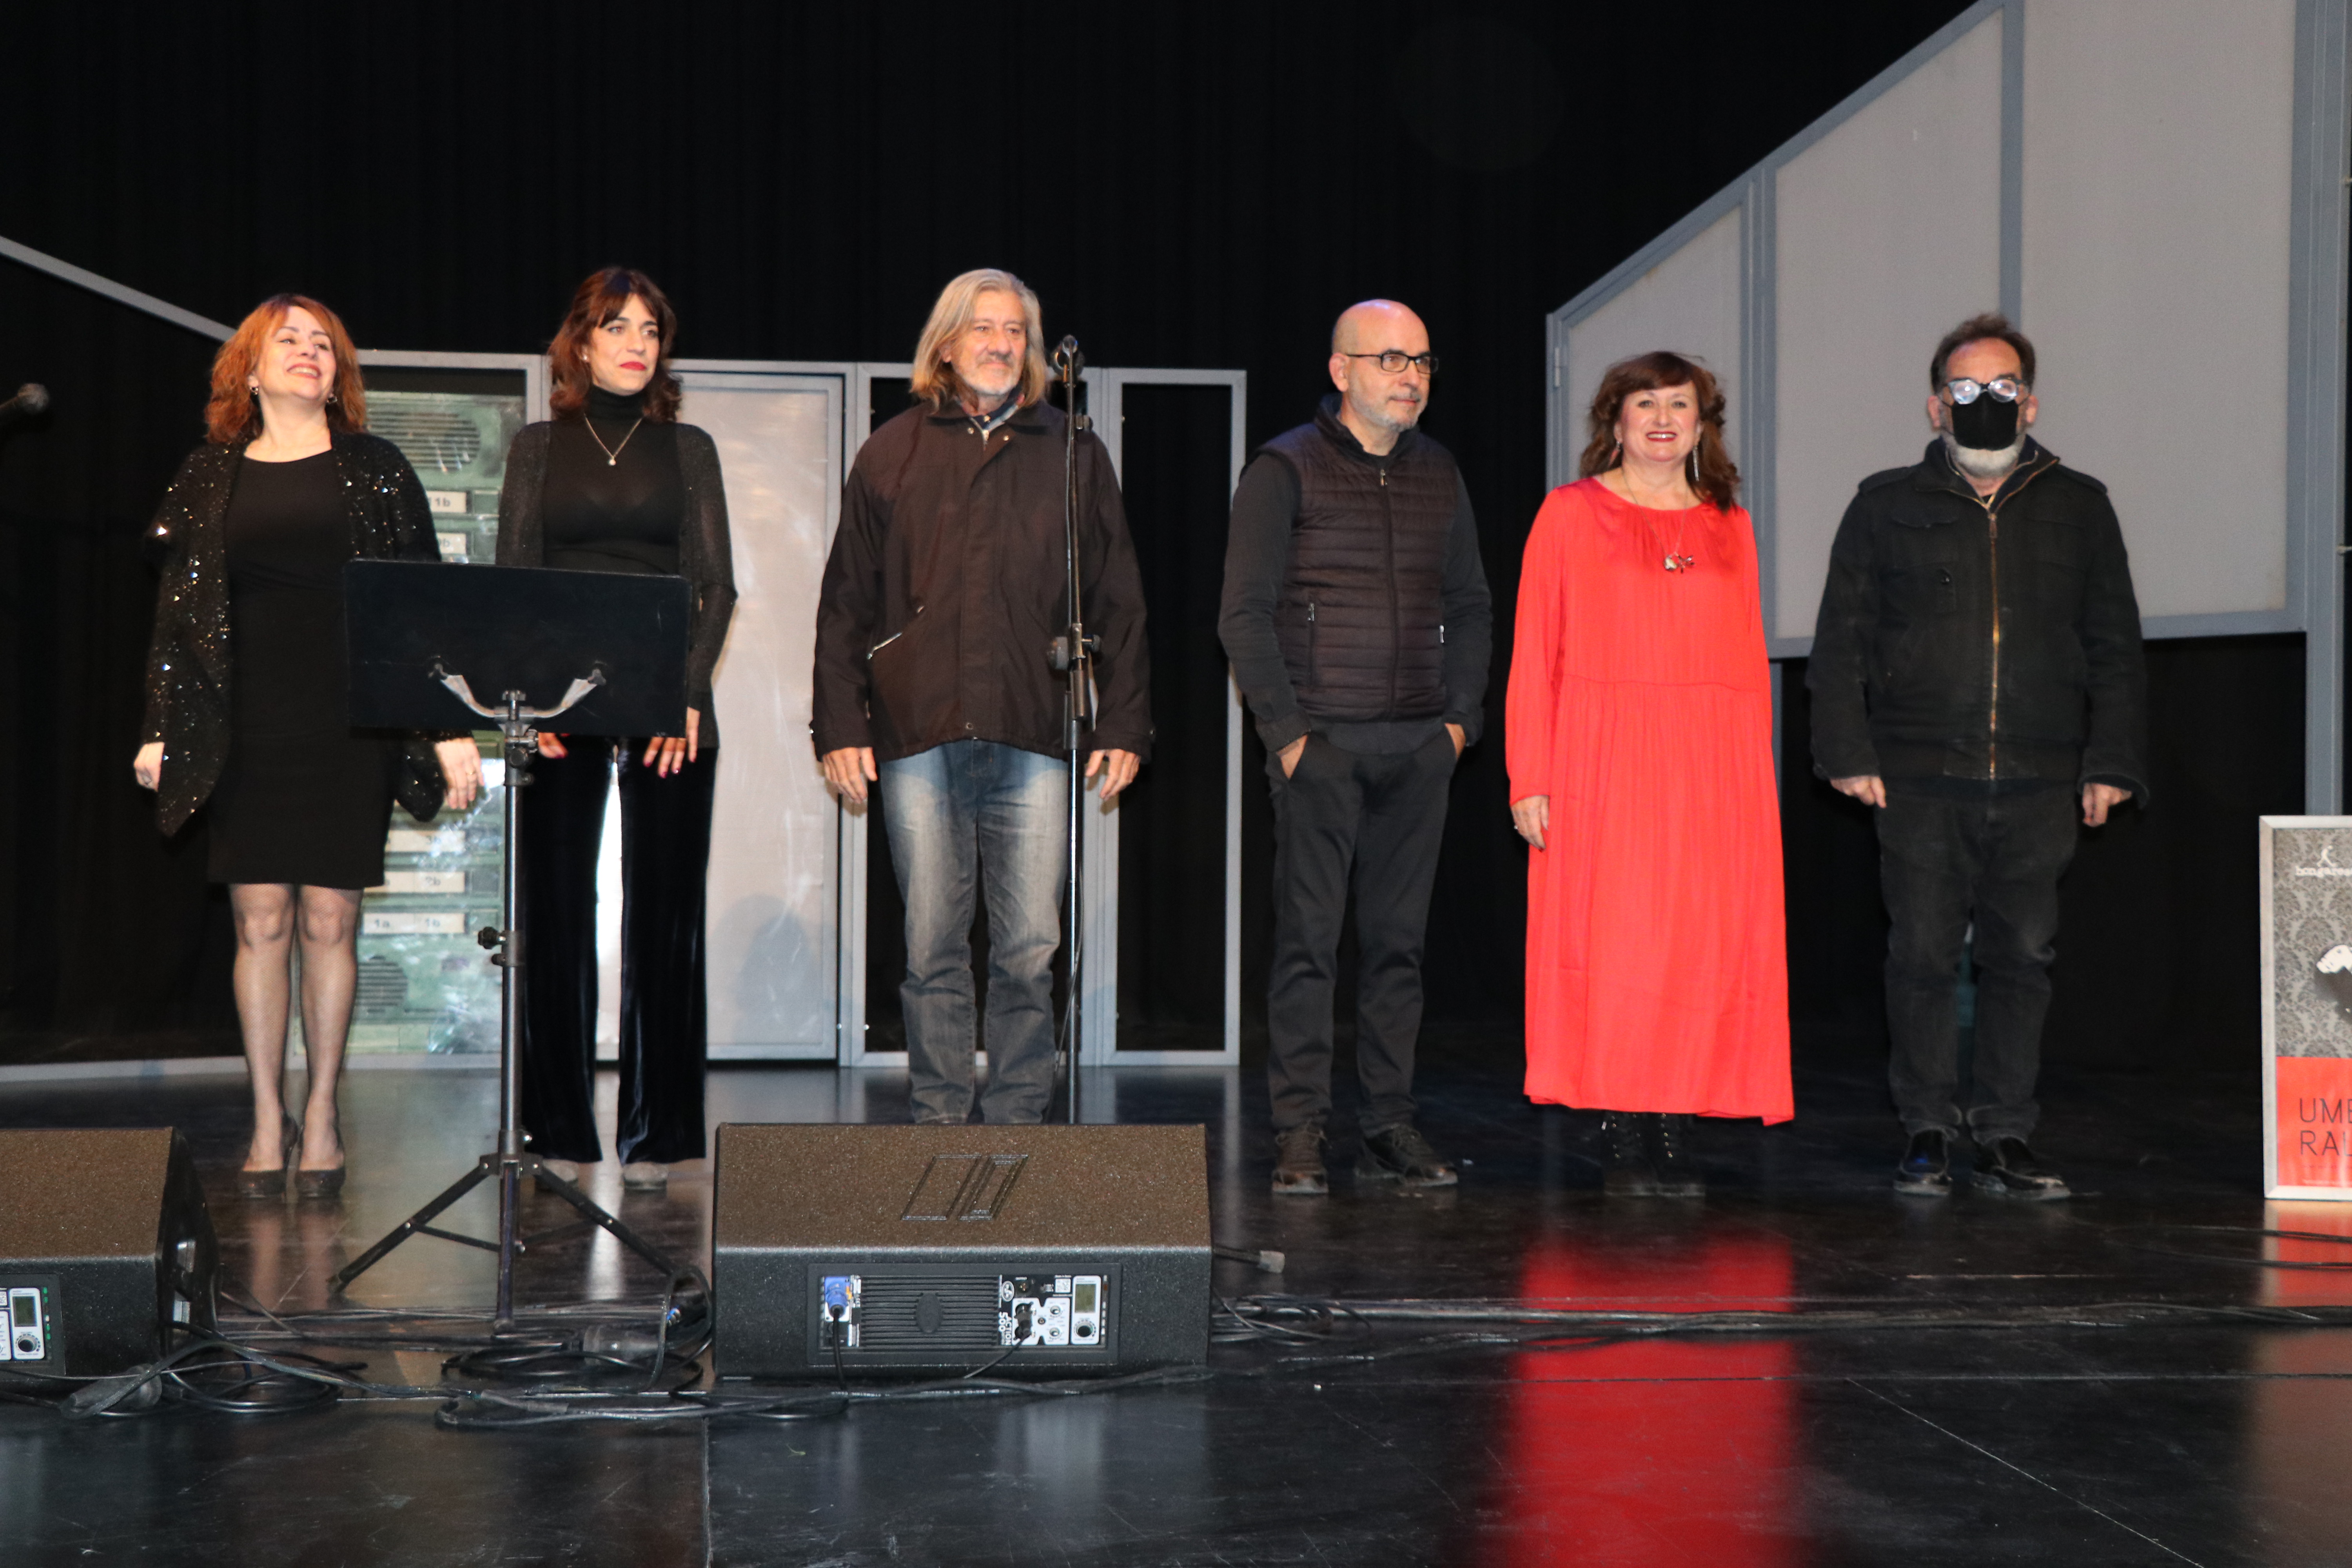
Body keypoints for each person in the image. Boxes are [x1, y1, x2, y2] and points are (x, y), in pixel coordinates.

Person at [135, 294, 482, 1199]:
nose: (307, 352)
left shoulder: (376, 468)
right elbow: (178, 615)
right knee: (260, 922)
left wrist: (446, 723)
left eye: (323, 344)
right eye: (287, 340)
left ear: (338, 374)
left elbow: (419, 603)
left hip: (348, 721)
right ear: (250, 369)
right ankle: (266, 1115)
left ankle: (321, 1112)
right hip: (243, 723)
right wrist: (162, 726)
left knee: (331, 919)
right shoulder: (209, 473)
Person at [1809, 312, 2147, 1200]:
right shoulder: (1883, 506)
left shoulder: (2082, 506)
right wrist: (1845, 747)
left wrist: (2112, 760)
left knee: (2022, 959)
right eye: (1965, 388)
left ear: (2030, 402)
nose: (1984, 401)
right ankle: (1925, 1127)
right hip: (1917, 777)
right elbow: (1841, 641)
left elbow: (2114, 644)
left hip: (2041, 777)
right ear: (1936, 406)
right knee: (1921, 957)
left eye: (2002, 387)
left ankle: (2005, 1133)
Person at [812, 268, 1151, 1125]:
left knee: (1029, 947)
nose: (1001, 344)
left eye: (1014, 331)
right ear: (947, 343)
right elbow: (846, 600)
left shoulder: (1074, 452)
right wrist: (840, 725)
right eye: (983, 328)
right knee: (932, 944)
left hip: (1035, 727)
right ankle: (938, 1120)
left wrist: (1123, 722)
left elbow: (1119, 599)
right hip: (917, 729)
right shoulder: (891, 450)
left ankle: (1018, 1126)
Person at [1219, 299, 1492, 1195]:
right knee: (1308, 946)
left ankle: (1387, 1123)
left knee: (1398, 949)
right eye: (1390, 359)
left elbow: (1472, 602)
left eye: (1422, 361)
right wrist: (1291, 736)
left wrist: (1459, 724)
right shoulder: (1283, 468)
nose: (1411, 376)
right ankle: (1300, 1129)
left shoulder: (1439, 472)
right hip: (1323, 747)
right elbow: (1243, 614)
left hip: (1418, 748)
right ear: (1342, 371)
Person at [1505, 352, 1791, 1199]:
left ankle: (1675, 1120)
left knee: (1695, 947)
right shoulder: (1568, 514)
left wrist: (1751, 783)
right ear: (1616, 420)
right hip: (1602, 756)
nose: (1663, 418)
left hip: (1709, 765)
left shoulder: (1730, 523)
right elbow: (1534, 652)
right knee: (1618, 944)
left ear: (1702, 424)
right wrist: (1531, 775)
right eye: (1645, 403)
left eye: (1680, 404)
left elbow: (1747, 662)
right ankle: (1623, 1124)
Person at [497, 267, 736, 1193]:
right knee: (555, 917)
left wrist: (687, 694)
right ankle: (558, 1125)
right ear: (582, 342)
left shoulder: (688, 447)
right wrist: (531, 696)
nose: (637, 343)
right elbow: (516, 576)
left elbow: (715, 584)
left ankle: (660, 1135)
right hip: (558, 707)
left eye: (650, 329)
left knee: (666, 920)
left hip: (667, 701)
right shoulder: (537, 445)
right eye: (617, 326)